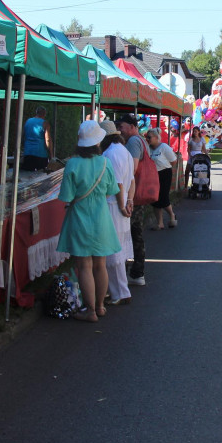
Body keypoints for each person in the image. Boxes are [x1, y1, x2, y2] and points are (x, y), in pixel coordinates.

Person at [56, 120, 124, 322]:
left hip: (79, 218)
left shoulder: (72, 164)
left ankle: (91, 311)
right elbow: (112, 190)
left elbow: (66, 196)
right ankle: (101, 306)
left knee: (84, 266)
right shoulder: (106, 163)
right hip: (101, 218)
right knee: (100, 265)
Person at [100, 121, 134, 306]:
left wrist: (122, 205)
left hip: (114, 204)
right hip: (120, 204)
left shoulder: (111, 153)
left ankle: (119, 292)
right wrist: (129, 201)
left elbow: (118, 183)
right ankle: (119, 289)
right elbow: (131, 181)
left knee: (112, 251)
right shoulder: (123, 150)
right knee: (117, 250)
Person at [117, 114, 148, 286]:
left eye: (122, 126)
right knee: (136, 233)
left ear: (131, 126)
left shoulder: (133, 142)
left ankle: (135, 272)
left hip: (133, 195)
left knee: (131, 233)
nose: (120, 130)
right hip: (137, 194)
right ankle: (137, 272)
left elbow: (131, 170)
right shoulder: (141, 140)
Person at [147, 128, 178, 230]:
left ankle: (172, 215)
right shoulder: (148, 148)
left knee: (163, 197)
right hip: (153, 174)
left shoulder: (164, 147)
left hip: (164, 173)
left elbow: (173, 161)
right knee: (155, 199)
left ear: (156, 138)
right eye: (147, 137)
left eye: (149, 137)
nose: (148, 139)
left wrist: (164, 166)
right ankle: (160, 223)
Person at [20, 106, 53, 171]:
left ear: (36, 112)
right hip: (40, 154)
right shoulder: (45, 123)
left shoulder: (28, 121)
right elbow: (47, 140)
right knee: (40, 176)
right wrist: (51, 154)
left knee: (27, 175)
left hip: (28, 153)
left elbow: (22, 136)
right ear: (44, 114)